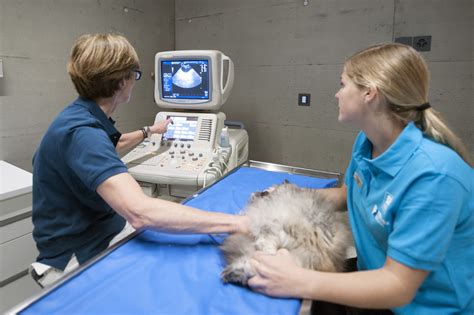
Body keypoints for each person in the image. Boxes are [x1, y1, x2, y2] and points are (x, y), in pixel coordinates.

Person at [247, 43, 473, 314]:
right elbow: (347, 194)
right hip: (374, 279)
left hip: (418, 306)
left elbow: (398, 285)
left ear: (369, 93)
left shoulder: (434, 177)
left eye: (343, 84)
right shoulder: (368, 142)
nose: (337, 94)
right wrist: (292, 196)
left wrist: (297, 280)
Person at [31, 33, 247, 287]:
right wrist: (236, 222)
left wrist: (150, 131)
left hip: (101, 230)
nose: (135, 80)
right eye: (135, 74)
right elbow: (141, 212)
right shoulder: (83, 135)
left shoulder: (80, 115)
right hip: (77, 258)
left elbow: (113, 143)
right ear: (122, 81)